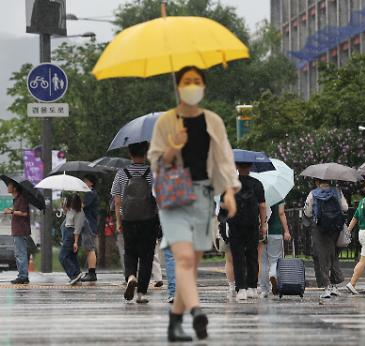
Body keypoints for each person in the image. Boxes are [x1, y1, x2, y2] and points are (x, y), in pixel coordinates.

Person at [148, 66, 239, 342]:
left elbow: (224, 159)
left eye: (197, 81)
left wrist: (229, 192)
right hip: (174, 194)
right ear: (178, 87)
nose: (192, 85)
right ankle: (197, 311)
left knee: (192, 262)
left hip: (202, 196)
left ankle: (174, 323)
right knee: (184, 258)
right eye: (187, 81)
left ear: (204, 87)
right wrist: (174, 146)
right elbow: (155, 161)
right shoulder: (166, 121)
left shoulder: (213, 121)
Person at [111, 142, 158, 304]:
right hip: (149, 220)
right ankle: (142, 294)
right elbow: (157, 197)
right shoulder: (152, 173)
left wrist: (119, 221)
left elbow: (117, 201)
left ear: (130, 154)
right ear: (145, 154)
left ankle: (131, 276)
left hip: (128, 218)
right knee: (147, 256)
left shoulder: (121, 173)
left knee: (130, 252)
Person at [225, 161, 267, 302]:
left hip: (235, 224)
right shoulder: (257, 184)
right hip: (252, 224)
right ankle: (252, 288)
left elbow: (223, 205)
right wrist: (264, 224)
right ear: (250, 167)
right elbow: (262, 205)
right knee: (252, 255)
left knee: (237, 257)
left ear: (236, 166)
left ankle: (241, 289)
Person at [304, 179, 348, 298]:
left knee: (322, 256)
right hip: (335, 228)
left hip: (320, 228)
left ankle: (327, 286)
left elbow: (307, 213)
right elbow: (345, 207)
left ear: (317, 182)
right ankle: (334, 284)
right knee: (333, 254)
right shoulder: (337, 192)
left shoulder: (313, 193)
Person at [259, 200, 292, 298]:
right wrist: (286, 231)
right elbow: (281, 213)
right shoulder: (279, 196)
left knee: (263, 262)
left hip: (262, 232)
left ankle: (264, 290)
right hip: (276, 232)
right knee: (275, 260)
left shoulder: (259, 195)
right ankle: (273, 274)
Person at [4, 181, 31, 284]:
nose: (8, 187)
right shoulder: (16, 199)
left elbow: (24, 213)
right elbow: (18, 212)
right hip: (17, 230)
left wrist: (11, 212)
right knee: (18, 254)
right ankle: (22, 275)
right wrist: (11, 210)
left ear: (14, 188)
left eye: (9, 185)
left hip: (21, 230)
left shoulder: (21, 198)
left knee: (21, 253)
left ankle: (23, 276)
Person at [59, 194, 84, 285]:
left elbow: (77, 228)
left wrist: (76, 242)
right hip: (69, 235)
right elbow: (67, 214)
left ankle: (75, 274)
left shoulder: (79, 212)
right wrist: (63, 207)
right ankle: (77, 278)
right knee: (72, 257)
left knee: (62, 257)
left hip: (72, 236)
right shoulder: (71, 210)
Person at [80, 175, 98, 282]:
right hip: (88, 224)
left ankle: (92, 273)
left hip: (89, 224)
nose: (84, 183)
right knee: (88, 248)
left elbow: (82, 205)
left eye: (86, 181)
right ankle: (90, 271)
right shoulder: (89, 193)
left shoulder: (90, 193)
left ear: (91, 183)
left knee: (90, 248)